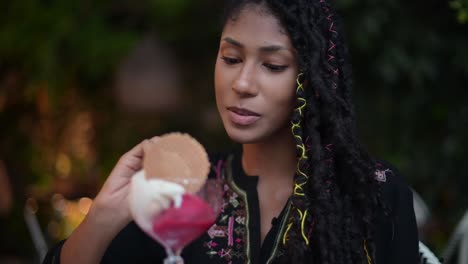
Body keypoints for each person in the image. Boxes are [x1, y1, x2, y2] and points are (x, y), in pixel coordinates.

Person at [43, 0, 419, 263]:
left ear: (311, 82)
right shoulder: (185, 189)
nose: (242, 83)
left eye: (272, 65)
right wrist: (104, 216)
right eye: (231, 59)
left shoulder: (372, 192)